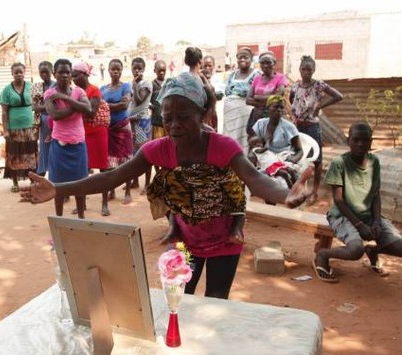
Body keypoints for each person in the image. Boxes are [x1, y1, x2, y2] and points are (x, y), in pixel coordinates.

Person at [21, 72, 313, 299]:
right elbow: (111, 177)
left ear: (203, 116)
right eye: (168, 118)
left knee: (215, 299)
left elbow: (256, 179)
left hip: (226, 244)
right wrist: (59, 189)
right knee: (181, 298)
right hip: (186, 243)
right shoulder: (157, 149)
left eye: (184, 118)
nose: (173, 125)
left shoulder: (222, 146)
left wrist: (287, 194)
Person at [313, 122, 402, 282]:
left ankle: (373, 251)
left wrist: (376, 221)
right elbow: (339, 200)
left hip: (368, 215)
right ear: (348, 141)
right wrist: (360, 225)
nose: (361, 144)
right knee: (355, 250)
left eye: (365, 140)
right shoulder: (339, 163)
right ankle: (322, 254)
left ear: (371, 142)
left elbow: (375, 195)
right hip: (342, 215)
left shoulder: (374, 162)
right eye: (356, 140)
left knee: (399, 245)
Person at [290, 55, 343, 204]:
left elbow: (339, 96)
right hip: (297, 127)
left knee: (317, 160)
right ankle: (298, 188)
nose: (306, 72)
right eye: (303, 69)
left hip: (312, 127)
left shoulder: (318, 85)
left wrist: (319, 106)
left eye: (309, 69)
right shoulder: (295, 86)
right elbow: (291, 98)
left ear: (314, 70)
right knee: (298, 157)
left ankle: (314, 191)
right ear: (299, 70)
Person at [44, 58, 91, 219]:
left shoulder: (78, 92)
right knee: (58, 186)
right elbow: (55, 116)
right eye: (60, 72)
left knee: (81, 185)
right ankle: (59, 219)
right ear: (54, 74)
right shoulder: (49, 94)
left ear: (71, 74)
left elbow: (88, 108)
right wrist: (77, 105)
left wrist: (67, 99)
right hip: (59, 146)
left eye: (67, 72)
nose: (64, 75)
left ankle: (81, 219)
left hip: (78, 145)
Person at [71, 62, 110, 216]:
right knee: (82, 171)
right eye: (72, 76)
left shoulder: (94, 90)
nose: (73, 79)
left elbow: (91, 112)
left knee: (103, 170)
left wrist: (73, 106)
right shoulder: (75, 92)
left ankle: (105, 204)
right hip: (81, 133)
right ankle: (83, 204)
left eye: (76, 75)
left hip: (97, 133)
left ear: (85, 74)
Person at [0, 62, 38, 192]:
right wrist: (5, 130)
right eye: (16, 72)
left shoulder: (31, 86)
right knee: (14, 154)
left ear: (24, 72)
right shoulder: (6, 90)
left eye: (21, 72)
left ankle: (33, 180)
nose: (19, 75)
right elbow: (4, 112)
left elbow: (38, 105)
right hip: (13, 128)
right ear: (12, 74)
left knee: (30, 154)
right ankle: (15, 182)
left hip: (30, 127)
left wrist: (38, 124)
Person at [101, 58, 133, 204]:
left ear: (121, 71)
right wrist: (115, 104)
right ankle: (111, 190)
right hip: (108, 129)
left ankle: (127, 191)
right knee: (109, 161)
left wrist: (106, 106)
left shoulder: (126, 86)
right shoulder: (103, 89)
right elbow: (98, 107)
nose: (115, 71)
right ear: (108, 70)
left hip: (122, 128)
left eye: (118, 69)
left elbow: (125, 105)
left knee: (126, 160)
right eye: (113, 69)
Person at [223, 47, 261, 153]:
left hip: (246, 114)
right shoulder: (232, 74)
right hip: (230, 115)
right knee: (230, 139)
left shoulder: (256, 75)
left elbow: (258, 94)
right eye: (240, 57)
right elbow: (227, 92)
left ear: (251, 59)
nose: (242, 60)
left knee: (244, 139)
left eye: (246, 57)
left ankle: (242, 161)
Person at [246, 51, 288, 138]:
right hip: (257, 117)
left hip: (273, 117)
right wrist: (269, 101)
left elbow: (278, 97)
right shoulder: (257, 79)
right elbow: (248, 100)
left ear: (274, 63)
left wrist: (257, 97)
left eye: (268, 62)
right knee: (256, 142)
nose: (265, 65)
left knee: (273, 141)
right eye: (262, 63)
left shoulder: (280, 78)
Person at [128, 57, 153, 194]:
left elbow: (138, 100)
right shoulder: (132, 82)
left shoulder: (146, 83)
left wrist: (136, 85)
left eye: (139, 68)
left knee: (145, 152)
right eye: (134, 68)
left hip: (142, 122)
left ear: (143, 69)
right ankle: (135, 181)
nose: (137, 71)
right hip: (133, 122)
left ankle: (147, 184)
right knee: (133, 153)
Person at [32, 61, 56, 177]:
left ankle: (56, 177)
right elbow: (34, 107)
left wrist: (43, 108)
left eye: (46, 72)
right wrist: (48, 107)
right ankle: (41, 177)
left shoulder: (57, 85)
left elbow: (58, 106)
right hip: (43, 123)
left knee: (56, 148)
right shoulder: (37, 87)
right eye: (42, 72)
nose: (44, 74)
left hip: (56, 122)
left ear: (52, 71)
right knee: (44, 149)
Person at [184, 46, 217, 128]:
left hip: (185, 121)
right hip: (201, 122)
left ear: (186, 61)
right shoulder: (202, 81)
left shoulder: (180, 79)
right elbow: (212, 101)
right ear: (200, 61)